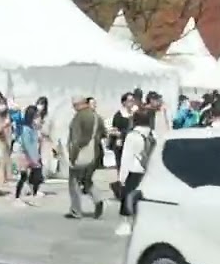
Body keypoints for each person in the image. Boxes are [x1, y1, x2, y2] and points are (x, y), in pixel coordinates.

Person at [115, 108, 155, 237]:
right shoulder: (153, 135)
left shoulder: (132, 136)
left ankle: (126, 225)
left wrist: (121, 178)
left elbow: (126, 158)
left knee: (128, 198)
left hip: (134, 171)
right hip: (148, 172)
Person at [66, 95, 106, 220]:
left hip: (81, 154)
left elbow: (78, 140)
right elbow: (104, 132)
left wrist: (72, 156)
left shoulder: (79, 117)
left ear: (79, 104)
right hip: (94, 153)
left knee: (74, 182)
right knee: (87, 180)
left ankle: (76, 210)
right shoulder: (96, 117)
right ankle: (98, 198)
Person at [14, 105, 45, 205]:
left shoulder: (33, 128)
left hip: (32, 155)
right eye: (36, 116)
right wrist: (34, 158)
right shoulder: (26, 129)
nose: (38, 118)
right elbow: (27, 145)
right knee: (23, 176)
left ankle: (33, 193)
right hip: (24, 155)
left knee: (34, 176)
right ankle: (17, 196)